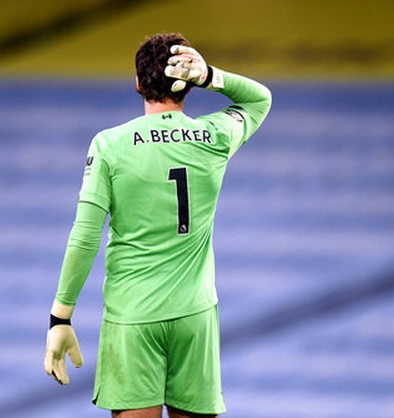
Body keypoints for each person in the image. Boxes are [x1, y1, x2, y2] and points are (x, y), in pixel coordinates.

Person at [44, 32, 272, 418]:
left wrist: (60, 317)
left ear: (137, 83)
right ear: (186, 84)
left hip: (133, 317)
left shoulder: (110, 145)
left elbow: (85, 236)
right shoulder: (213, 136)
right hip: (194, 316)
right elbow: (259, 99)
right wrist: (211, 76)